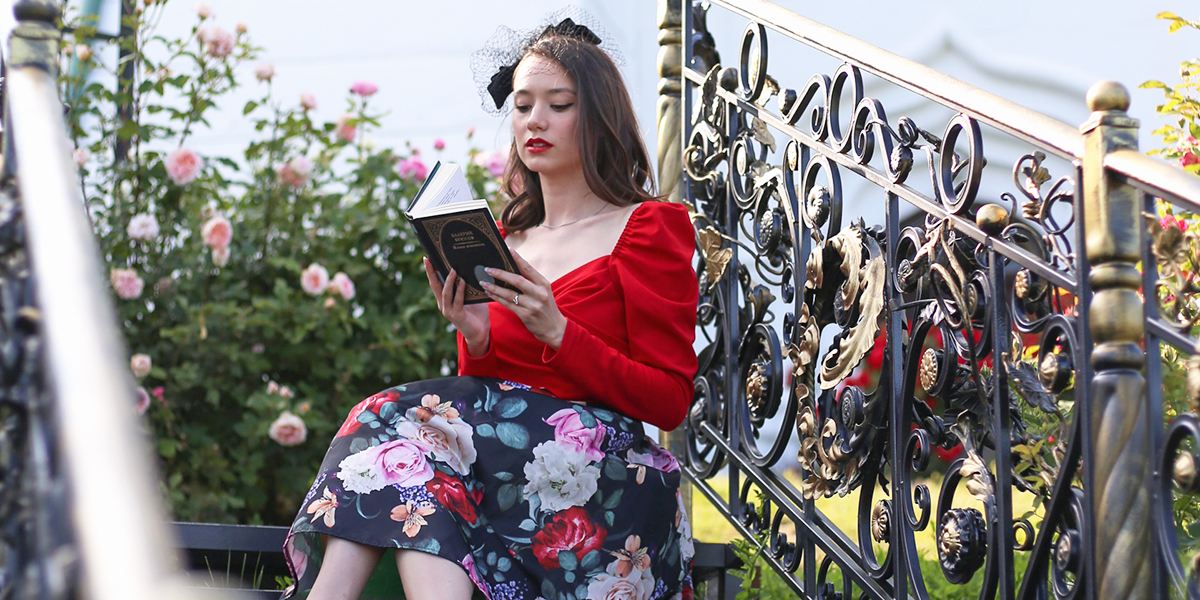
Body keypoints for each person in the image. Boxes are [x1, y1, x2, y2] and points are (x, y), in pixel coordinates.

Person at [282, 14, 697, 600]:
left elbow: (671, 400)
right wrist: (475, 336)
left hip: (604, 473)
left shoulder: (648, 227)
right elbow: (491, 397)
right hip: (506, 473)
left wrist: (561, 334)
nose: (535, 120)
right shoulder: (502, 239)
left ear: (599, 116)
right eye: (523, 106)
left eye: (558, 104)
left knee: (390, 418)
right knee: (409, 454)